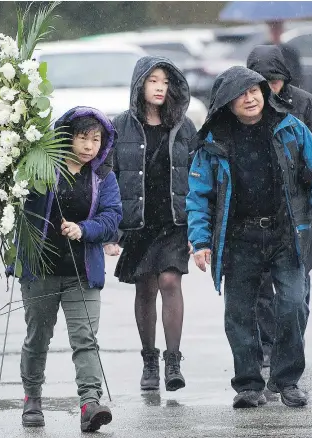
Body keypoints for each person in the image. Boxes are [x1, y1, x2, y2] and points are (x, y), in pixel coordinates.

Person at [186, 66, 312, 409]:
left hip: (287, 234)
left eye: (254, 91)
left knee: (293, 304)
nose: (250, 98)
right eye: (241, 94)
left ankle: (287, 381)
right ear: (227, 102)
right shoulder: (214, 142)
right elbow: (198, 196)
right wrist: (201, 240)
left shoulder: (290, 127)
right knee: (238, 313)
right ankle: (249, 384)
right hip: (239, 239)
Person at [13, 107, 122, 432]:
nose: (89, 146)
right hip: (41, 270)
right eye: (82, 138)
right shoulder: (42, 169)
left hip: (83, 273)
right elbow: (23, 205)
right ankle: (32, 398)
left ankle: (90, 404)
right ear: (67, 137)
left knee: (85, 339)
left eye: (96, 139)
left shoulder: (104, 177)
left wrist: (84, 229)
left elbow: (113, 216)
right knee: (38, 338)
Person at [104, 56, 197, 392]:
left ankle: (173, 362)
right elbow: (107, 179)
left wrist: (201, 231)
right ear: (139, 84)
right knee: (146, 287)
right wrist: (111, 232)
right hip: (138, 223)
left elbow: (199, 178)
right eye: (153, 80)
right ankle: (149, 361)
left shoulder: (184, 127)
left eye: (166, 82)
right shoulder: (118, 127)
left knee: (171, 280)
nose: (160, 87)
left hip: (174, 220)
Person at [247, 44, 312, 367]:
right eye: (264, 80)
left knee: (298, 284)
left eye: (276, 80)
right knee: (263, 285)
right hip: (259, 211)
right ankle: (269, 344)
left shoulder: (304, 104)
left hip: (298, 207)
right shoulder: (246, 103)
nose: (271, 88)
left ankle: (291, 342)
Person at [266, 20, 303, 88]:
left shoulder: (290, 51)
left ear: (281, 30)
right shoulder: (262, 49)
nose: (275, 32)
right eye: (273, 29)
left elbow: (297, 73)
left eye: (277, 29)